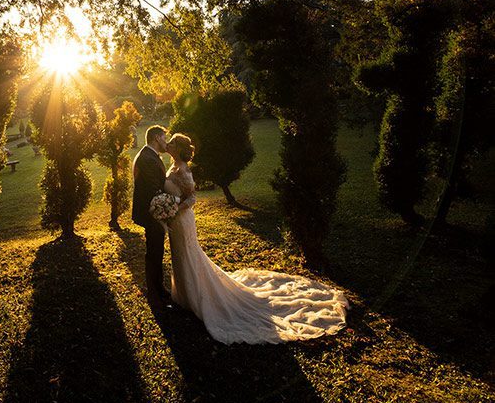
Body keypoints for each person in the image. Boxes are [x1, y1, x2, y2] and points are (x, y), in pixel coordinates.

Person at [162, 133, 349, 345]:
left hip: (182, 219)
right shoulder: (173, 166)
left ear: (178, 148)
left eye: (171, 142)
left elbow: (192, 197)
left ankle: (196, 298)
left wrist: (176, 208)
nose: (167, 144)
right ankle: (184, 296)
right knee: (179, 254)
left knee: (188, 254)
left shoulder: (184, 171)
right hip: (175, 220)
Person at [131, 124, 178, 308]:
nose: (166, 142)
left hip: (153, 211)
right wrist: (175, 201)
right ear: (157, 138)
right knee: (154, 253)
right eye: (164, 138)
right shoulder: (148, 158)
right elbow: (154, 191)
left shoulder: (149, 155)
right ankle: (155, 295)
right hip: (152, 213)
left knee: (156, 251)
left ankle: (159, 290)